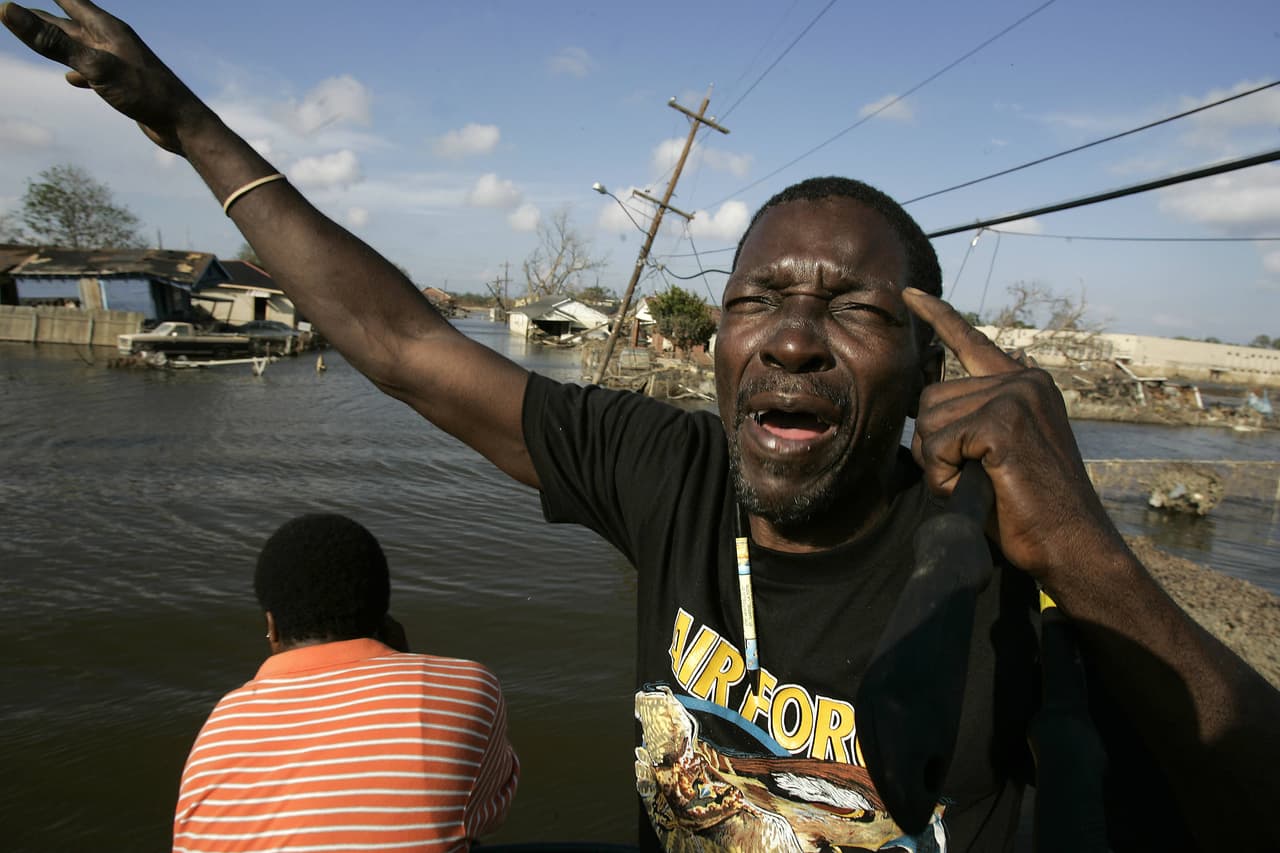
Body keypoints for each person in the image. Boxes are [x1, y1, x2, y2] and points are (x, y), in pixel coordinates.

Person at [5, 4, 1277, 850]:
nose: (790, 337)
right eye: (756, 300)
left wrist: (1085, 551)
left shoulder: (994, 563)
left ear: (927, 369)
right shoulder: (665, 472)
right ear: (716, 345)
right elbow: (401, 345)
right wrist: (187, 125)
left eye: (852, 309)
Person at [173, 513, 519, 852]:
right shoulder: (465, 686)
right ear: (385, 616)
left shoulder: (222, 724)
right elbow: (489, 811)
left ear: (272, 627)